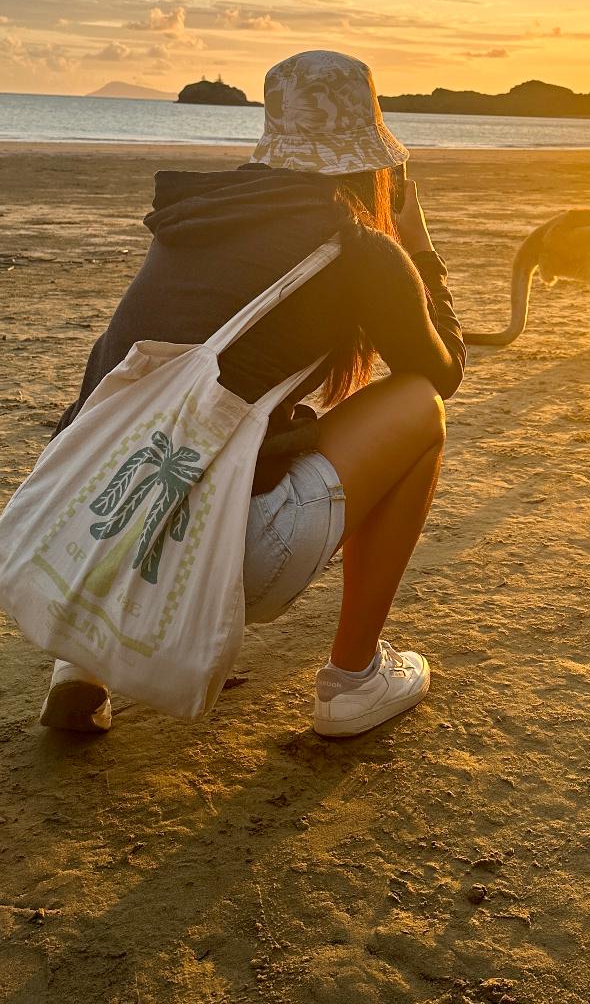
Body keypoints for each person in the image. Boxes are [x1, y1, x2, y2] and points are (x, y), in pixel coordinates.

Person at [39, 50, 464, 738]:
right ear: (374, 157)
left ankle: (81, 662)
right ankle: (354, 682)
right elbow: (440, 372)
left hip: (84, 531)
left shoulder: (194, 219)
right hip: (206, 558)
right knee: (423, 411)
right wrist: (416, 245)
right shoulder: (355, 246)